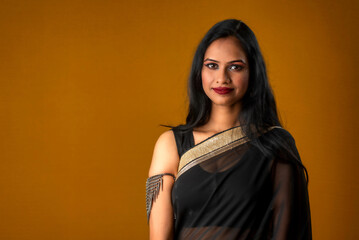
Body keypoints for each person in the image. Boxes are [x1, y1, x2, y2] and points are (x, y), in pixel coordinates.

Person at [146, 19, 312, 240]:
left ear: (253, 73)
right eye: (212, 65)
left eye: (235, 67)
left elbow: (288, 231)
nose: (222, 78)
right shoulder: (171, 145)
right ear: (199, 71)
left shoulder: (275, 145)